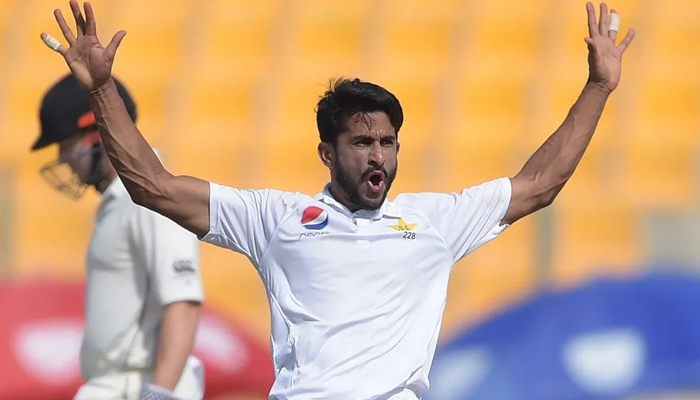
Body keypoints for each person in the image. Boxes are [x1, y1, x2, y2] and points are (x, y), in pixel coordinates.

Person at [40, 1, 634, 399]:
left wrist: (599, 87)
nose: (378, 156)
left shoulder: (432, 221)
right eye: (361, 143)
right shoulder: (275, 220)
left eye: (387, 142)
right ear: (327, 153)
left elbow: (539, 184)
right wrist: (100, 90)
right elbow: (155, 186)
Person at [30, 73, 205, 400]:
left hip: (139, 385)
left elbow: (183, 301)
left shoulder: (148, 199)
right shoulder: (120, 200)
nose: (65, 161)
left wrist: (161, 393)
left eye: (66, 146)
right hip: (118, 385)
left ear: (97, 134)